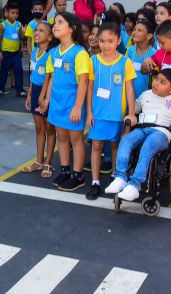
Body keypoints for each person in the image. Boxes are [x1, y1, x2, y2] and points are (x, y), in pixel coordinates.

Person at [105, 69, 171, 201]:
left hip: (161, 132)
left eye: (162, 82)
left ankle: (134, 184)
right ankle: (120, 177)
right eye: (156, 79)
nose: (156, 83)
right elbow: (133, 111)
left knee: (149, 145)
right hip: (141, 128)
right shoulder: (145, 94)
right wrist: (127, 124)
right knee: (126, 141)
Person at [37, 12, 91, 192]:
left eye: (60, 22)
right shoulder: (53, 52)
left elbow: (83, 81)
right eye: (55, 23)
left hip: (72, 100)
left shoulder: (79, 53)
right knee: (62, 137)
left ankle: (78, 174)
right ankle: (65, 171)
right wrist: (46, 99)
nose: (55, 25)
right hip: (57, 101)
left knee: (75, 138)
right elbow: (51, 78)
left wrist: (77, 106)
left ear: (72, 28)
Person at [85, 22, 136, 200]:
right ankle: (95, 182)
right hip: (98, 114)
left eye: (110, 41)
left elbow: (130, 89)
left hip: (117, 115)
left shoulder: (125, 62)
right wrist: (89, 112)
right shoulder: (93, 61)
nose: (105, 45)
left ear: (118, 41)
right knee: (96, 147)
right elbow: (89, 88)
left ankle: (116, 176)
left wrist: (130, 113)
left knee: (115, 146)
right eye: (102, 41)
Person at [22, 21, 57, 178]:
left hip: (47, 94)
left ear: (50, 37)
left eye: (41, 31)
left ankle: (48, 162)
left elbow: (50, 78)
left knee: (50, 129)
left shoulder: (52, 54)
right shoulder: (35, 50)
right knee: (38, 128)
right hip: (36, 91)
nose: (36, 33)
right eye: (36, 30)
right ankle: (38, 160)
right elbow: (34, 74)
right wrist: (30, 93)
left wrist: (45, 98)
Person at [0, 2, 26, 97]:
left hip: (16, 53)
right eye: (12, 13)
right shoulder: (3, 25)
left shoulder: (19, 24)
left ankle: (20, 90)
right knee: (4, 71)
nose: (14, 15)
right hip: (6, 53)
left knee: (18, 71)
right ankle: (0, 89)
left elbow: (20, 37)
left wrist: (21, 47)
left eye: (16, 13)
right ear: (7, 13)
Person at [126, 18, 157, 98]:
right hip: (127, 94)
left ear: (149, 36)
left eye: (139, 30)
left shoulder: (154, 54)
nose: (134, 32)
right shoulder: (129, 50)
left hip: (144, 97)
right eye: (134, 29)